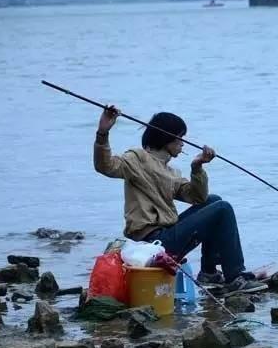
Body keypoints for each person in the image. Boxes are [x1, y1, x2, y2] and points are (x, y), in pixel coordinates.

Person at [93, 106, 267, 294]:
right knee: (223, 209)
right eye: (180, 137)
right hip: (152, 243)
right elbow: (106, 166)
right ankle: (235, 276)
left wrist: (197, 167)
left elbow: (197, 197)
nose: (183, 143)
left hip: (167, 235)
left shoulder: (171, 171)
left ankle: (209, 273)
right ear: (166, 138)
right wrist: (103, 132)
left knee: (214, 201)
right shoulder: (136, 158)